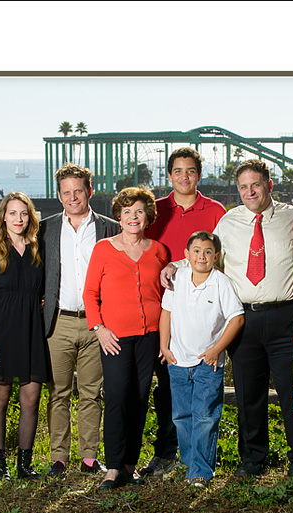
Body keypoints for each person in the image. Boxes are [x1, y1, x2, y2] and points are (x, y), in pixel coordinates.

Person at [162, 159, 293, 478]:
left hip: (286, 315)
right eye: (243, 187)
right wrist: (175, 266)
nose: (249, 191)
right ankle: (253, 459)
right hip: (244, 317)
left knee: (291, 390)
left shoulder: (292, 218)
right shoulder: (229, 223)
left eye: (255, 185)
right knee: (248, 393)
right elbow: (205, 256)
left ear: (269, 185)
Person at [142, 147, 227, 477]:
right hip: (163, 310)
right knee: (166, 386)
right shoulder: (157, 210)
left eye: (190, 171)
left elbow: (222, 259)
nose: (184, 177)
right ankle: (165, 453)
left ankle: (200, 460)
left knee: (205, 392)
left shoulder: (216, 211)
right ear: (169, 176)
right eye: (178, 171)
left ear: (199, 175)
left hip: (204, 316)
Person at [84, 187, 169, 490]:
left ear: (148, 217)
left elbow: (166, 295)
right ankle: (113, 467)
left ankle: (130, 466)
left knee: (139, 400)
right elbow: (90, 294)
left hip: (150, 337)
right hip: (115, 338)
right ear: (118, 215)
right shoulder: (104, 249)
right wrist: (99, 329)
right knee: (118, 399)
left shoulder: (159, 251)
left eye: (139, 212)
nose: (133, 217)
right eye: (127, 211)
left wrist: (165, 338)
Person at [39, 163, 121, 478]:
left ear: (90, 190)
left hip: (97, 324)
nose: (73, 198)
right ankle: (58, 457)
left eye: (78, 191)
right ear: (58, 196)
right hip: (58, 321)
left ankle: (89, 458)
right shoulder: (45, 229)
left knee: (91, 392)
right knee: (58, 391)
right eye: (66, 193)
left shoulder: (110, 228)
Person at [159, 231, 244, 488]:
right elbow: (167, 312)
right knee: (181, 416)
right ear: (186, 255)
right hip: (177, 361)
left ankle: (201, 472)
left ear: (215, 256)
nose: (201, 256)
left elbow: (237, 318)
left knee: (205, 416)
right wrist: (164, 345)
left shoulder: (220, 283)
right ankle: (190, 463)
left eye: (208, 252)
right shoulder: (179, 279)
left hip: (208, 363)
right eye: (196, 251)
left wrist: (217, 350)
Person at [0, 192, 50, 481]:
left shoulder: (38, 248)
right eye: (12, 213)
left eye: (24, 213)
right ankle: (0, 465)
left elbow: (46, 287)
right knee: (0, 395)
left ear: (30, 217)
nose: (18, 219)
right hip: (3, 329)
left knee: (31, 397)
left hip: (32, 329)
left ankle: (25, 464)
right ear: (3, 217)